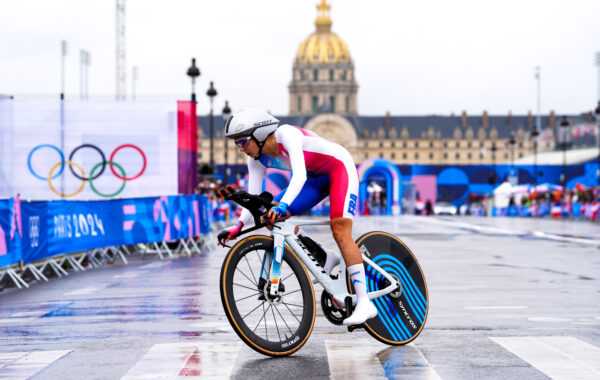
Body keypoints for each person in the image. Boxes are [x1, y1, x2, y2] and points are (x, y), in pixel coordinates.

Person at [218, 108, 377, 326]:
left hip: (339, 169)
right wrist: (237, 226)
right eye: (237, 144)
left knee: (340, 230)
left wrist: (283, 205)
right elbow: (254, 197)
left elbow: (299, 175)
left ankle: (364, 301)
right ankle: (323, 256)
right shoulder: (255, 160)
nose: (241, 149)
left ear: (260, 134)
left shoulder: (286, 134)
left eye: (243, 142)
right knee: (267, 214)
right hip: (314, 180)